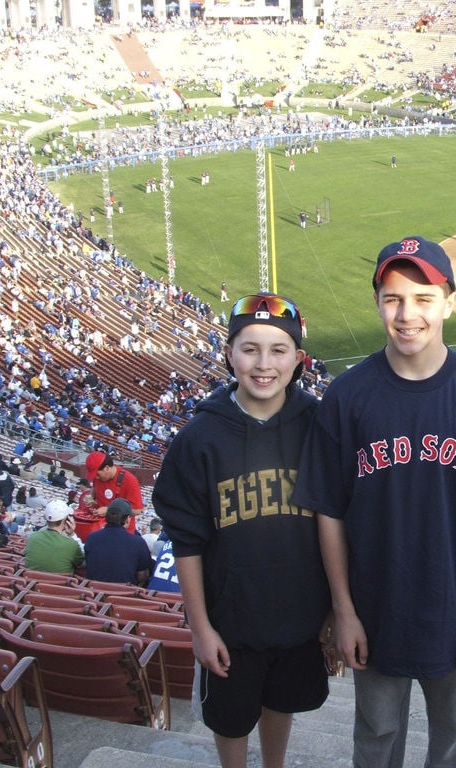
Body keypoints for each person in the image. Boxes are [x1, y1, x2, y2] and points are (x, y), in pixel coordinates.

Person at [292, 235, 456, 768]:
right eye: (393, 299)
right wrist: (344, 611)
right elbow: (328, 512)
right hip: (375, 610)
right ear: (377, 302)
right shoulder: (348, 396)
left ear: (449, 302)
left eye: (423, 299)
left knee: (455, 740)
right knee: (376, 736)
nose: (408, 314)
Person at [152, 292, 330, 768]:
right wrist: (199, 628)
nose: (263, 363)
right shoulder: (199, 438)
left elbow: (339, 521)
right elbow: (186, 541)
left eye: (278, 349)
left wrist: (336, 609)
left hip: (300, 612)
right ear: (229, 354)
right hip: (230, 619)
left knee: (282, 702)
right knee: (230, 719)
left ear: (299, 358)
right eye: (249, 348)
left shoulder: (320, 425)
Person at [84, 498, 152, 586]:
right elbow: (143, 577)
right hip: (124, 596)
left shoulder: (92, 537)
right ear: (128, 519)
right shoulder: (138, 542)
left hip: (92, 594)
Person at [82, 450, 143, 534]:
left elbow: (137, 510)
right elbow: (95, 491)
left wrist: (109, 510)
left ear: (107, 468)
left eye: (97, 474)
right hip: (99, 528)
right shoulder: (98, 478)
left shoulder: (129, 480)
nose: (96, 478)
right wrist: (91, 497)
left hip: (121, 532)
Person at [23, 500, 85, 575]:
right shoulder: (72, 545)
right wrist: (73, 535)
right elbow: (83, 563)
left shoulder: (33, 537)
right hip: (61, 585)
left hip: (30, 584)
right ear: (66, 519)